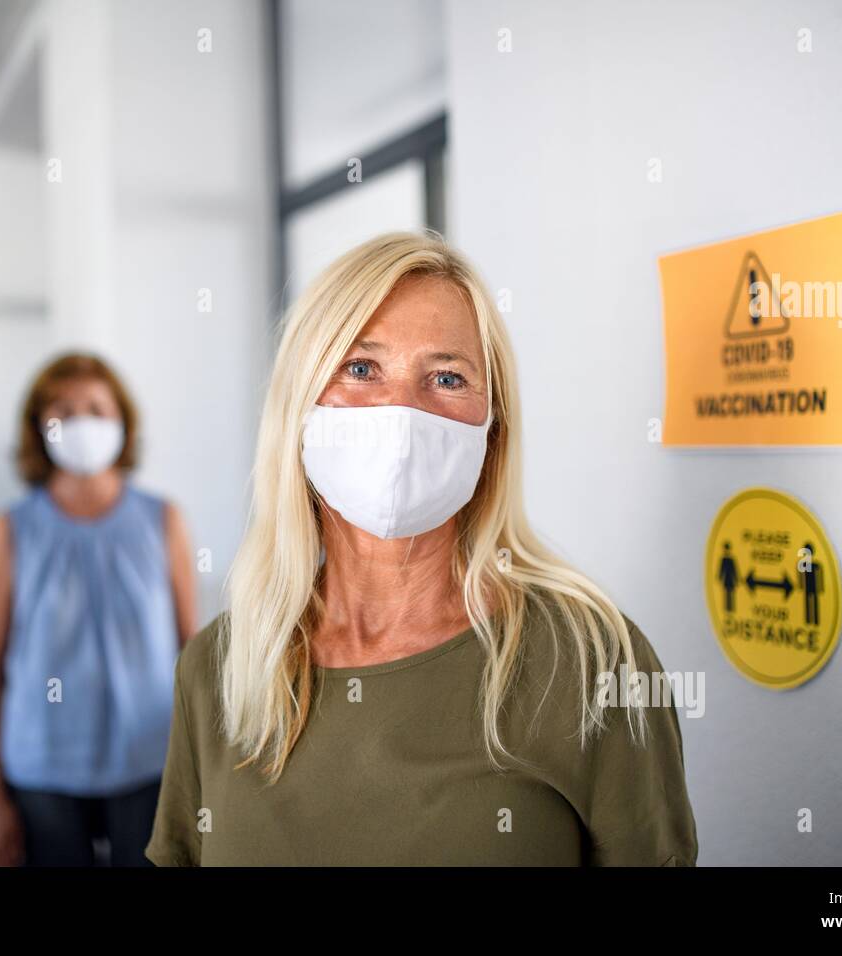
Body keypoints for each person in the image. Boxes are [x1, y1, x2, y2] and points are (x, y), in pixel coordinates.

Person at [145, 232, 699, 866]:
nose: (402, 414)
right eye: (361, 368)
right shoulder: (218, 665)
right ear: (298, 408)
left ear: (492, 429)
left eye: (446, 377)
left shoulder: (591, 661)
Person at [0, 354, 198, 867]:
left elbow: (193, 654)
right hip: (41, 766)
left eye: (96, 409)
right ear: (39, 427)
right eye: (64, 411)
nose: (82, 423)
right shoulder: (10, 531)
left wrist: (203, 770)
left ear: (122, 422)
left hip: (149, 763)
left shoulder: (162, 521)